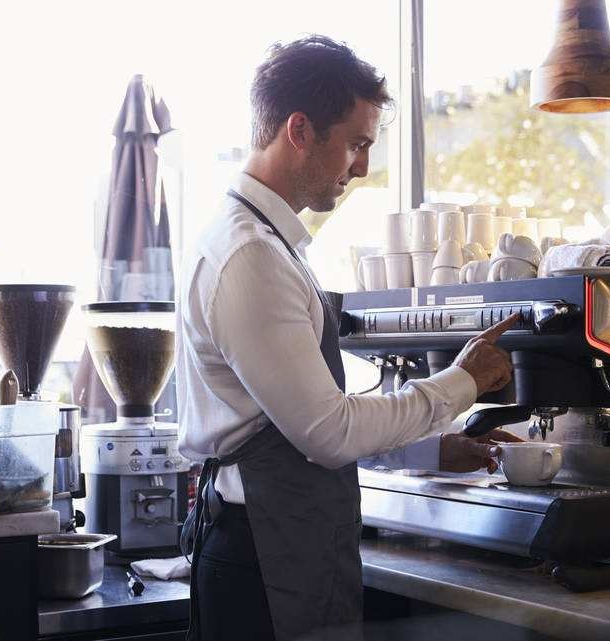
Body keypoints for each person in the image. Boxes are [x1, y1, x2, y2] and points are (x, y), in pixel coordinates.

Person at [175, 35, 520, 641]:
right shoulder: (251, 256)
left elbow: (298, 429)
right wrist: (462, 382)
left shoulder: (263, 243)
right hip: (264, 560)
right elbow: (328, 431)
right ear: (299, 130)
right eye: (357, 144)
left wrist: (431, 452)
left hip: (278, 543)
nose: (361, 168)